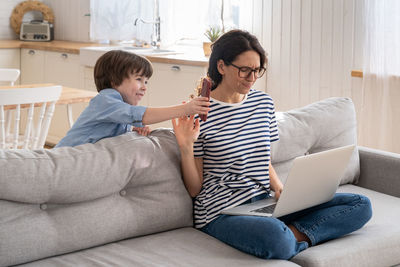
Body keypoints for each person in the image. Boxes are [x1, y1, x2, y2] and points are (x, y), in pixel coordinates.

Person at [172, 29, 372, 260]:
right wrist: (186, 147)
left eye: (257, 70)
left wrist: (280, 189)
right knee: (276, 239)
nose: (252, 78)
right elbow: (195, 189)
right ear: (221, 67)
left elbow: (262, 159)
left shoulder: (263, 103)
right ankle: (289, 236)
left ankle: (292, 235)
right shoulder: (199, 113)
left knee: (360, 204)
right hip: (221, 212)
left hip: (264, 202)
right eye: (244, 70)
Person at [56, 50, 210, 147]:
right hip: (63, 157)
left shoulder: (118, 107)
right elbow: (136, 114)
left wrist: (132, 128)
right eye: (138, 79)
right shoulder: (105, 100)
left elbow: (115, 124)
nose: (144, 87)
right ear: (115, 81)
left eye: (146, 81)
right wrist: (185, 108)